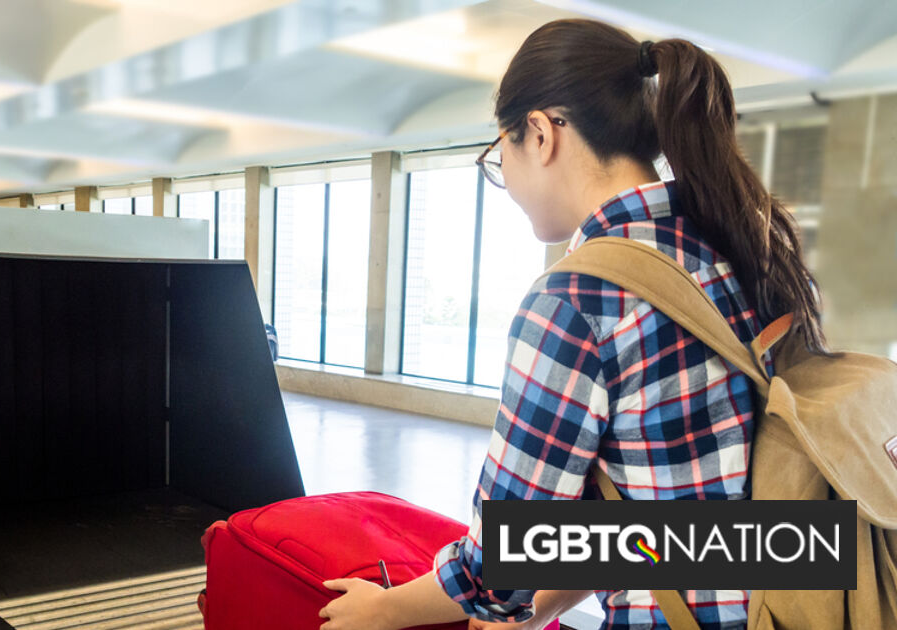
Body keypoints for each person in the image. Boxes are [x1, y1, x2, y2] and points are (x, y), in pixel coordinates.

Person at [318, 18, 825, 630]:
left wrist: (384, 609)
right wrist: (544, 607)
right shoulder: (740, 248)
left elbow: (502, 564)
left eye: (498, 156)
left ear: (539, 133)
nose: (506, 183)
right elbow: (681, 522)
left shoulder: (578, 298)